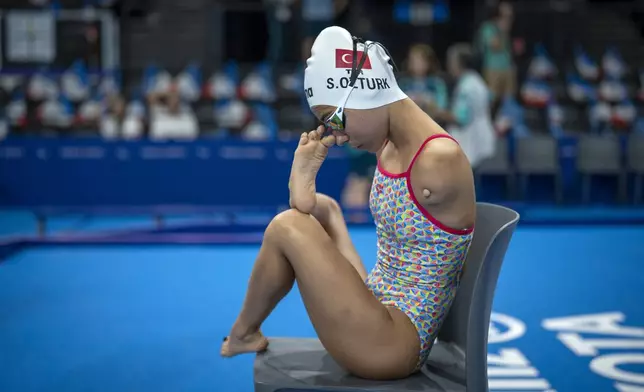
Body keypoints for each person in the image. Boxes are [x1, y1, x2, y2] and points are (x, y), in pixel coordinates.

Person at [221, 26, 475, 380]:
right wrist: (304, 193)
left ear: (365, 94)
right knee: (324, 210)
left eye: (335, 120)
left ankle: (243, 332)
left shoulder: (437, 159)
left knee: (286, 226)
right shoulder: (392, 147)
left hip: (395, 345)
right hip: (380, 310)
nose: (336, 137)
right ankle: (246, 330)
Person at [437, 44, 496, 169]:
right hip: (480, 137)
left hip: (471, 141)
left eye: (451, 61)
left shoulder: (467, 86)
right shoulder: (477, 81)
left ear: (459, 63)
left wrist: (435, 111)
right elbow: (491, 99)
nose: (448, 65)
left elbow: (460, 118)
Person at [476, 1, 515, 116]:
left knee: (508, 99)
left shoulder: (508, 30)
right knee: (491, 99)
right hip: (492, 68)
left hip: (507, 67)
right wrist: (501, 30)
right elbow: (495, 45)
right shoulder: (488, 27)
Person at [399, 44, 449, 119]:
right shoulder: (403, 83)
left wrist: (426, 101)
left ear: (429, 62)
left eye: (420, 60)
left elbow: (441, 108)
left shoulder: (436, 83)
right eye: (413, 60)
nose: (417, 63)